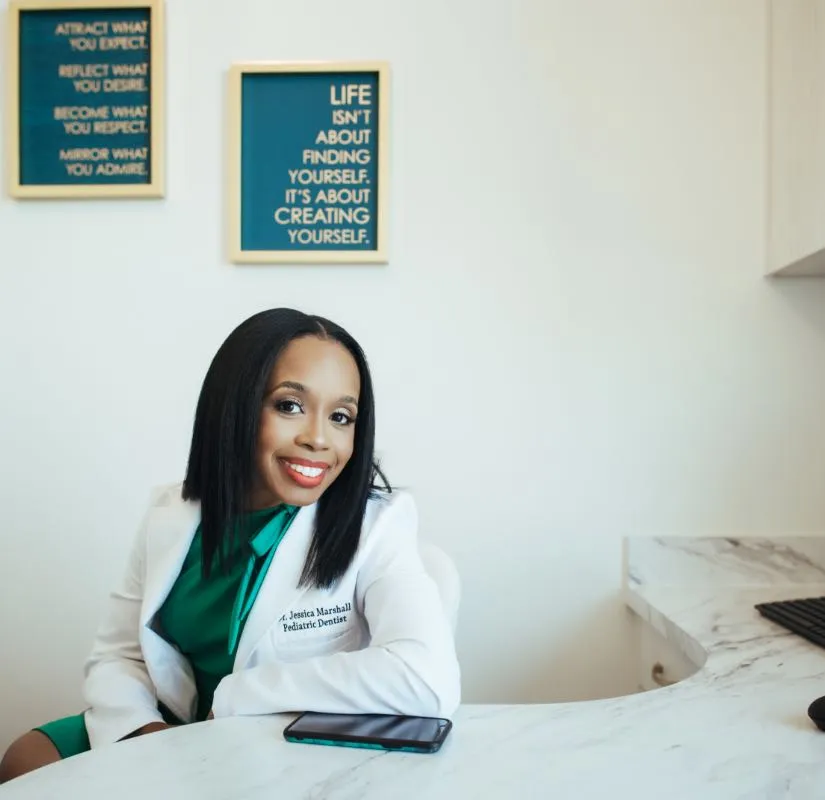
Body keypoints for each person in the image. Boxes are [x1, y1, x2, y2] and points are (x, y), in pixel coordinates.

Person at [0, 308, 461, 783]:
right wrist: (145, 735)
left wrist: (240, 694)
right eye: (289, 406)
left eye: (341, 416)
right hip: (167, 725)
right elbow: (121, 655)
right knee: (27, 760)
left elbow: (426, 678)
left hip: (270, 735)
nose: (319, 438)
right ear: (235, 405)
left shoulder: (379, 525)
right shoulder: (170, 514)